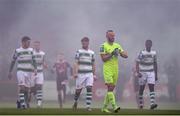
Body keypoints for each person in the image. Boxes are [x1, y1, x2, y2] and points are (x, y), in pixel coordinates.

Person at [100, 30, 128, 113]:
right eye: (111, 36)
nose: (113, 37)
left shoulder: (117, 45)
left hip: (115, 69)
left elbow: (126, 55)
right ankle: (114, 106)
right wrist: (112, 53)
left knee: (111, 89)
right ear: (107, 36)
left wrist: (120, 52)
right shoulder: (103, 46)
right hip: (107, 68)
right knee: (110, 87)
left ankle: (104, 108)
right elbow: (103, 59)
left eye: (114, 36)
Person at [8, 36, 37, 109]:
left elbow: (34, 60)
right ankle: (23, 104)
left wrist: (35, 68)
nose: (29, 43)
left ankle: (19, 101)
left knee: (27, 90)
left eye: (29, 42)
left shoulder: (31, 50)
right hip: (20, 71)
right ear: (23, 42)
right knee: (22, 87)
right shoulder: (17, 51)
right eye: (28, 42)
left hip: (29, 72)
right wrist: (10, 71)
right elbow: (13, 61)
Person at [72, 37, 97, 111]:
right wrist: (75, 73)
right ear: (81, 43)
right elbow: (76, 63)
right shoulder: (78, 51)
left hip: (89, 74)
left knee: (89, 88)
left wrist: (94, 74)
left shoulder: (92, 53)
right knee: (78, 91)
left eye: (86, 42)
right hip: (80, 74)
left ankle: (88, 106)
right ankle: (75, 101)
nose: (84, 43)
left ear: (88, 43)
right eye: (83, 42)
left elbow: (93, 64)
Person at [136, 39, 158, 110]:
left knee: (151, 87)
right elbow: (137, 62)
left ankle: (152, 104)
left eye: (149, 44)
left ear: (151, 45)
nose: (148, 45)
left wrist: (156, 74)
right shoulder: (142, 52)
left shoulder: (154, 53)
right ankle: (141, 103)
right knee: (141, 89)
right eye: (147, 44)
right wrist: (138, 72)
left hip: (151, 72)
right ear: (145, 45)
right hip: (142, 72)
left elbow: (155, 63)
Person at [28, 41, 47, 108]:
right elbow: (30, 62)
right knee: (31, 89)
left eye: (38, 45)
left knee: (39, 87)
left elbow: (44, 61)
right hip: (32, 73)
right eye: (35, 45)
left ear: (40, 46)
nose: (37, 47)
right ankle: (29, 99)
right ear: (34, 46)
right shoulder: (31, 53)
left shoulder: (42, 53)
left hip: (40, 72)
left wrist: (45, 65)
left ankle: (39, 103)